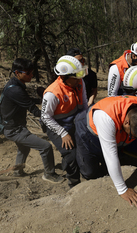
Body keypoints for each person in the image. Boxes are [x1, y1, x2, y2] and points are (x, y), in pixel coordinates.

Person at [74, 95, 137, 207]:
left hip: (115, 129)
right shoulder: (106, 117)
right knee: (90, 171)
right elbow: (111, 155)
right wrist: (122, 190)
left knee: (112, 159)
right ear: (126, 123)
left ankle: (107, 171)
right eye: (133, 135)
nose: (134, 138)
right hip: (88, 132)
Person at [0, 58, 63, 182]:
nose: (31, 75)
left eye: (32, 72)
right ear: (17, 73)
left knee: (24, 148)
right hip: (14, 130)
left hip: (13, 126)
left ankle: (18, 171)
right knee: (45, 147)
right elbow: (34, 110)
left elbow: (26, 101)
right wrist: (54, 114)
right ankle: (49, 174)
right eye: (28, 73)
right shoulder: (15, 90)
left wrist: (44, 100)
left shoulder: (15, 84)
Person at [41, 55, 88, 188]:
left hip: (74, 121)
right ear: (65, 77)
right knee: (71, 154)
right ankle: (73, 183)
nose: (80, 78)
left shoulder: (79, 83)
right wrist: (63, 133)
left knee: (84, 147)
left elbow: (84, 104)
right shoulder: (52, 93)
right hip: (56, 126)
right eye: (76, 76)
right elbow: (45, 117)